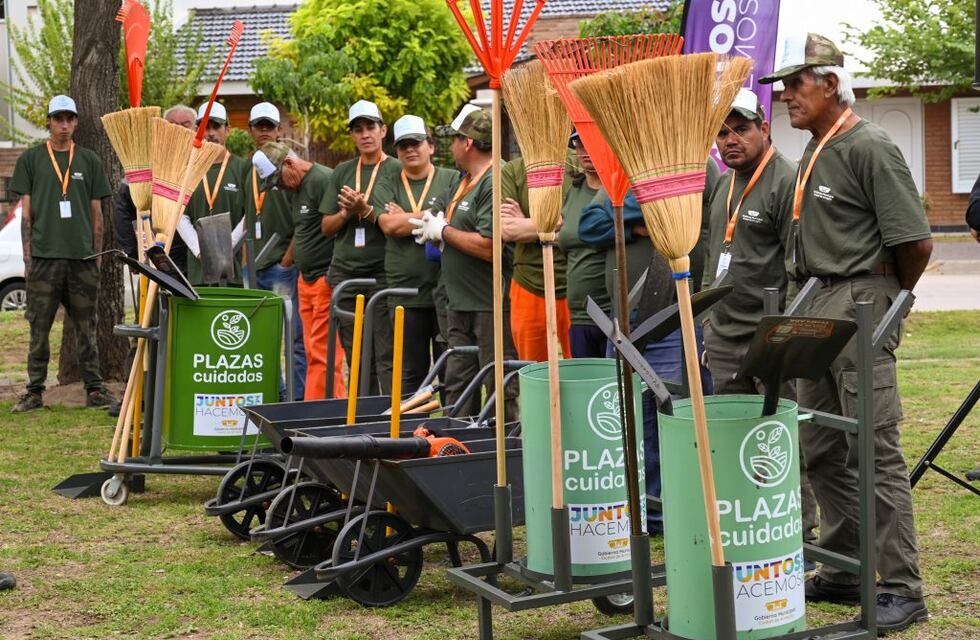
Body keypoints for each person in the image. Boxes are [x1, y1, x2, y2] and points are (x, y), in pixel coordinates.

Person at [761, 33, 933, 633]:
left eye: (795, 84)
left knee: (873, 446)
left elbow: (915, 242)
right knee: (820, 444)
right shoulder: (814, 148)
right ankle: (843, 566)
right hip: (816, 299)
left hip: (861, 297)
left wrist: (888, 302)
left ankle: (901, 585)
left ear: (830, 82)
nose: (785, 97)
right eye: (782, 88)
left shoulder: (870, 145)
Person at [703, 87, 819, 557]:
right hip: (724, 332)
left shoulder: (785, 181)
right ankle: (745, 522)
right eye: (722, 133)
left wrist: (784, 334)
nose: (730, 140)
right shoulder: (722, 182)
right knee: (733, 436)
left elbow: (799, 266)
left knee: (780, 436)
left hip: (769, 336)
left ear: (765, 128)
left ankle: (797, 531)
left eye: (741, 129)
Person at [579, 162, 717, 536]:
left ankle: (662, 509)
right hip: (622, 320)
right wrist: (636, 215)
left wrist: (636, 211)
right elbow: (588, 226)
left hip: (673, 315)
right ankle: (636, 502)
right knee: (624, 416)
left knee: (666, 412)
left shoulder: (697, 162)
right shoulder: (624, 166)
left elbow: (686, 211)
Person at [10, 95, 116, 413]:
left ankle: (95, 390)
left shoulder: (89, 161)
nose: (64, 125)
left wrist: (96, 255)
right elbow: (25, 213)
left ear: (77, 123)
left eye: (70, 119)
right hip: (44, 258)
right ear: (49, 122)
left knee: (87, 325)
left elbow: (97, 214)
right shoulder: (31, 159)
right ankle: (33, 392)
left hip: (82, 260)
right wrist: (29, 258)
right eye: (58, 119)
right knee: (38, 327)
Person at [411, 107, 519, 419]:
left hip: (489, 304)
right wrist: (435, 229)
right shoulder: (464, 180)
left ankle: (504, 453)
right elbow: (443, 218)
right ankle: (457, 450)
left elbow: (489, 247)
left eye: (455, 139)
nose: (452, 146)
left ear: (468, 142)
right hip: (457, 302)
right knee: (457, 383)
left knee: (499, 385)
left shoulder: (495, 180)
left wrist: (443, 231)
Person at [320, 100, 401, 395]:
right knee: (355, 351)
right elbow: (326, 227)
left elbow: (400, 219)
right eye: (358, 129)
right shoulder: (342, 171)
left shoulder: (397, 168)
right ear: (352, 136)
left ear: (383, 130)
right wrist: (346, 212)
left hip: (383, 270)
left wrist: (366, 209)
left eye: (370, 127)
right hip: (347, 273)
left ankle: (389, 418)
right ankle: (361, 417)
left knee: (386, 350)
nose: (365, 134)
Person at [253, 142, 346, 400]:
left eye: (277, 181)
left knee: (323, 352)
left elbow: (341, 226)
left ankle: (324, 410)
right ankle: (320, 406)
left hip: (324, 278)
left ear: (290, 164)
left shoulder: (322, 180)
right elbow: (304, 229)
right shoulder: (296, 188)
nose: (277, 188)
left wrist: (331, 274)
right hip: (306, 279)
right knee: (309, 348)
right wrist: (290, 261)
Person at [379, 115, 459, 391]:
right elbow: (388, 224)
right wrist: (432, 217)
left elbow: (453, 218)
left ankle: (450, 430)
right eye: (403, 145)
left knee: (450, 370)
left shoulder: (451, 178)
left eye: (416, 143)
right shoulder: (389, 179)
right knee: (409, 373)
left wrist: (409, 218)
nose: (410, 150)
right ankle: (410, 433)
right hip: (404, 291)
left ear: (431, 146)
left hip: (444, 289)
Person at [243, 102, 307, 400]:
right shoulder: (249, 167)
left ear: (280, 130)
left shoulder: (291, 166)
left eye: (270, 125)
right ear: (250, 130)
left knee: (292, 338)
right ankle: (276, 394)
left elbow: (304, 216)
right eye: (260, 126)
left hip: (283, 264)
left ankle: (297, 399)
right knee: (259, 338)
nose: (265, 131)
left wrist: (289, 255)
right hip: (253, 265)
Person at [501, 156, 572, 361]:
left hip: (575, 284)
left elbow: (582, 225)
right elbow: (508, 230)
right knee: (533, 372)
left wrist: (526, 223)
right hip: (528, 284)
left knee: (581, 368)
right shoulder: (513, 170)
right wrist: (560, 226)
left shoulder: (578, 161)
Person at [112, 104, 196, 272]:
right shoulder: (144, 163)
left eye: (185, 125)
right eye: (172, 124)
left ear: (195, 128)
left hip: (194, 263)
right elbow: (122, 210)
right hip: (155, 261)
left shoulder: (200, 162)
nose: (178, 130)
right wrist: (133, 254)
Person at [176, 102, 247, 287]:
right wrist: (200, 250)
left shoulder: (243, 168)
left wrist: (226, 246)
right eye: (205, 127)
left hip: (233, 272)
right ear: (198, 130)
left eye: (216, 126)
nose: (211, 133)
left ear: (227, 129)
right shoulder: (188, 169)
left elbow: (252, 214)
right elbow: (179, 215)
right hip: (198, 273)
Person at [556, 130, 606, 357]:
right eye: (579, 144)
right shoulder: (573, 191)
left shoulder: (619, 191)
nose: (585, 151)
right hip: (578, 313)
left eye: (592, 142)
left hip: (610, 313)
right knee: (585, 386)